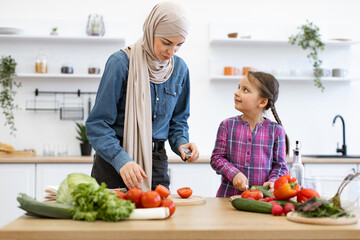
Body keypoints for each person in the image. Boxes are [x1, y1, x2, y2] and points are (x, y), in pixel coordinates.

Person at [86, 1, 199, 192]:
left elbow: (178, 121)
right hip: (113, 163)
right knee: (110, 221)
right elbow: (97, 125)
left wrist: (182, 143)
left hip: (156, 164)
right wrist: (121, 160)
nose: (171, 52)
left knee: (156, 220)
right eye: (166, 43)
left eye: (179, 44)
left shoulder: (180, 69)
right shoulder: (120, 64)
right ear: (151, 30)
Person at [210, 71, 289, 197]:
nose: (237, 92)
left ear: (262, 102)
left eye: (245, 90)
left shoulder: (276, 131)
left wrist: (273, 181)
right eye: (238, 88)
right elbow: (216, 158)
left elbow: (280, 166)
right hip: (228, 198)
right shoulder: (227, 125)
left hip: (262, 199)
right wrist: (234, 173)